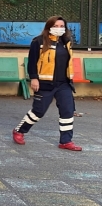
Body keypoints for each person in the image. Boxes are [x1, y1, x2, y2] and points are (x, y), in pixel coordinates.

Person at [12, 16, 82, 151]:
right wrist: (34, 78)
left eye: (62, 26)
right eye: (56, 26)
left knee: (67, 111)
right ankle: (19, 131)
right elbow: (32, 62)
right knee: (38, 112)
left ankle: (66, 141)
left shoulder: (66, 42)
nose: (59, 29)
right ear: (49, 26)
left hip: (64, 84)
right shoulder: (38, 41)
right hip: (45, 84)